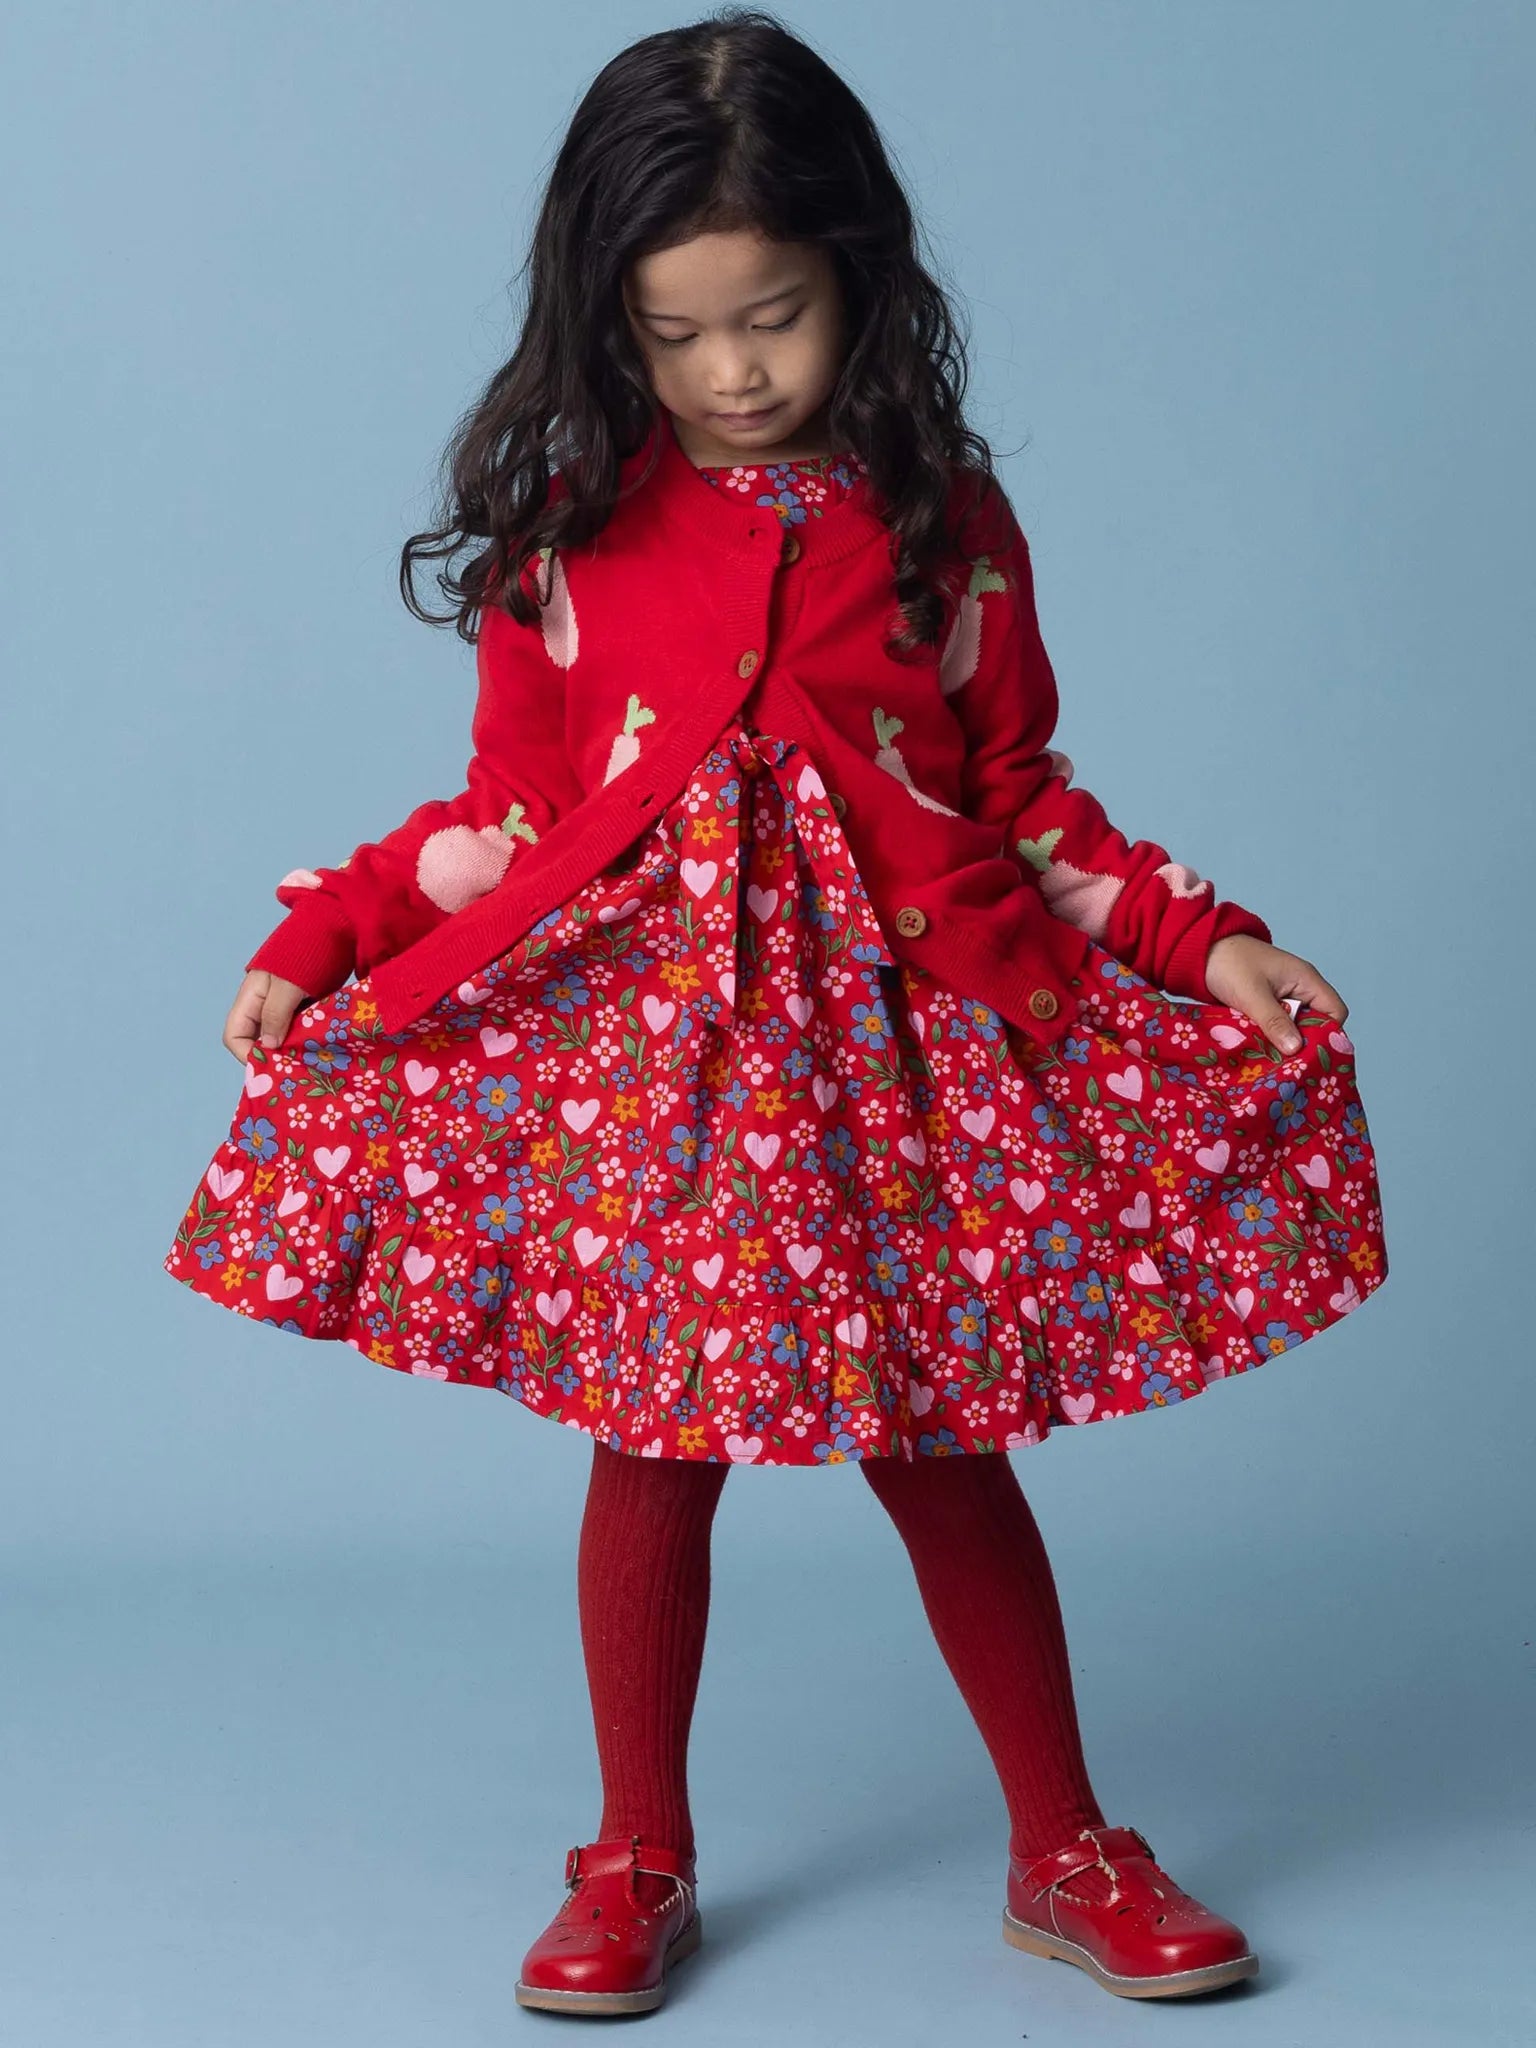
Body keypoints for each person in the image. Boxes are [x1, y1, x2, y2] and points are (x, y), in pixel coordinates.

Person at [162, 6, 1389, 2020]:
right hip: (660, 1075)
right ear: (609, 320)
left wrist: (1202, 940)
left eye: (776, 317)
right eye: (677, 333)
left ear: (858, 278)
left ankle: (1066, 1843)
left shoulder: (941, 520)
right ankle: (635, 1850)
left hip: (896, 1072)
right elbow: (509, 817)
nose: (733, 372)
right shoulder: (570, 535)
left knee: (941, 1434)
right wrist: (338, 929)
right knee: (653, 1444)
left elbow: (1022, 800)